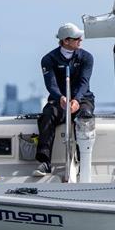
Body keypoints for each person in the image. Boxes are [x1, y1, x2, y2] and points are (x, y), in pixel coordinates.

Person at [35, 22, 95, 176]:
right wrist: (61, 98)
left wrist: (76, 100)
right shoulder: (48, 59)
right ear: (65, 41)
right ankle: (44, 161)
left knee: (85, 116)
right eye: (76, 38)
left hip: (82, 99)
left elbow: (84, 82)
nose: (80, 40)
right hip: (59, 99)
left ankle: (83, 162)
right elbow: (51, 84)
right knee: (47, 115)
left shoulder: (87, 57)